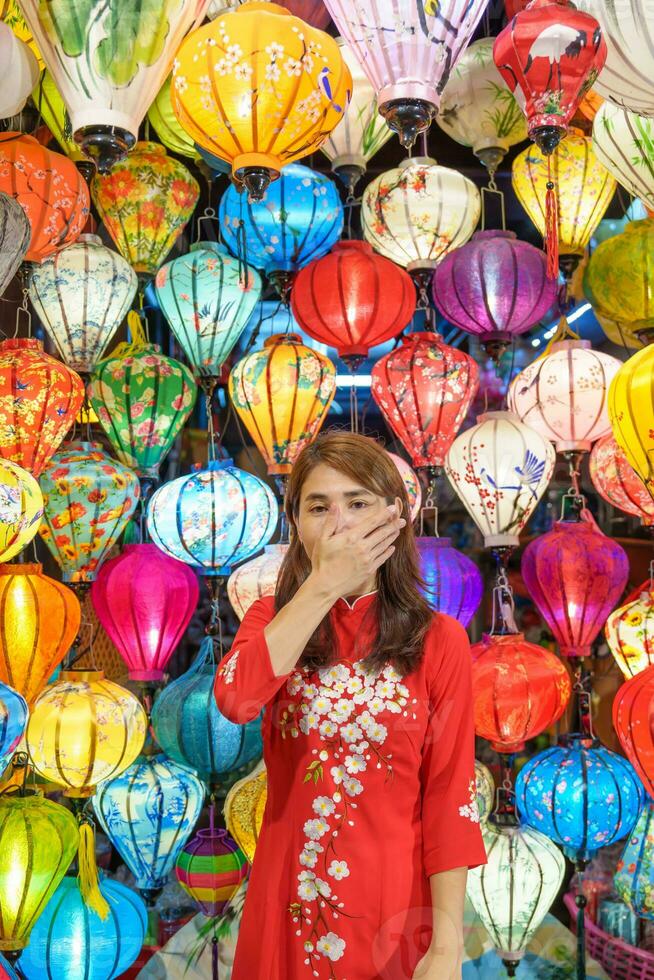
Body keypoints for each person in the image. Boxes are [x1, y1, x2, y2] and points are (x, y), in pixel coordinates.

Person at [214, 432, 487, 980]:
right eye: (319, 507)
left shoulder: (440, 641)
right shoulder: (272, 620)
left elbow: (450, 798)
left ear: (395, 516)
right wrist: (320, 588)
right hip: (291, 902)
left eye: (358, 503)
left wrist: (446, 947)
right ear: (296, 525)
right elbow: (237, 700)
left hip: (398, 910)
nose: (339, 521)